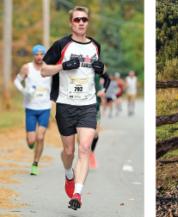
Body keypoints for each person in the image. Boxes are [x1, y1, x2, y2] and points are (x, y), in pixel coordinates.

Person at [41, 6, 110, 210]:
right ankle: (69, 174)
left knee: (84, 148)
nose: (81, 22)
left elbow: (100, 68)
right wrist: (63, 66)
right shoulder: (61, 45)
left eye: (84, 19)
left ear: (88, 22)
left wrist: (102, 68)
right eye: (77, 19)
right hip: (65, 104)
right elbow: (44, 70)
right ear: (71, 23)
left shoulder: (95, 46)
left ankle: (77, 194)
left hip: (88, 105)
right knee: (69, 151)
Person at [14, 45, 52, 176]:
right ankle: (32, 145)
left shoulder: (49, 67)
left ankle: (35, 164)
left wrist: (53, 97)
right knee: (31, 141)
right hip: (30, 108)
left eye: (42, 54)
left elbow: (56, 83)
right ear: (33, 56)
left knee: (40, 137)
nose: (39, 57)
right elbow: (17, 81)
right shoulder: (26, 67)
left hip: (45, 108)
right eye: (37, 54)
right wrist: (24, 91)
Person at [89, 70, 106, 169]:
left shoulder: (97, 67)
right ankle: (84, 152)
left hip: (95, 104)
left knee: (95, 133)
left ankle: (91, 152)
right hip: (81, 104)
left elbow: (107, 79)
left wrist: (103, 90)